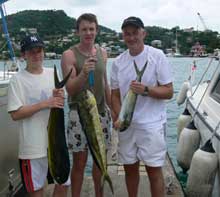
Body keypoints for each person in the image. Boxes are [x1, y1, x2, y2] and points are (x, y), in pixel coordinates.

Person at [110, 16, 173, 197]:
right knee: (130, 169)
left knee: (154, 171)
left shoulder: (157, 56)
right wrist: (117, 116)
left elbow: (168, 91)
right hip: (127, 125)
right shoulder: (118, 62)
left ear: (143, 33)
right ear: (123, 36)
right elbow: (114, 94)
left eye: (135, 33)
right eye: (127, 34)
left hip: (151, 125)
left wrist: (146, 90)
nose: (131, 37)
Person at [7, 34, 70, 197]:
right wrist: (45, 103)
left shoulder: (52, 74)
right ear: (24, 55)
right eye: (31, 51)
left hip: (56, 145)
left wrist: (59, 95)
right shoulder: (17, 80)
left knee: (63, 184)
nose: (36, 55)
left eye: (39, 50)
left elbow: (60, 102)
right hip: (32, 149)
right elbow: (15, 114)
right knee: (36, 191)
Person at [61, 13, 112, 197]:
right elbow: (70, 89)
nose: (88, 33)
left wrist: (113, 110)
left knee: (100, 161)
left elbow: (105, 83)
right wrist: (83, 73)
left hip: (101, 112)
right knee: (80, 162)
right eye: (84, 29)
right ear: (77, 32)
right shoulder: (68, 55)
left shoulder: (103, 52)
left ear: (97, 30)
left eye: (91, 29)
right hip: (79, 114)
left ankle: (100, 194)